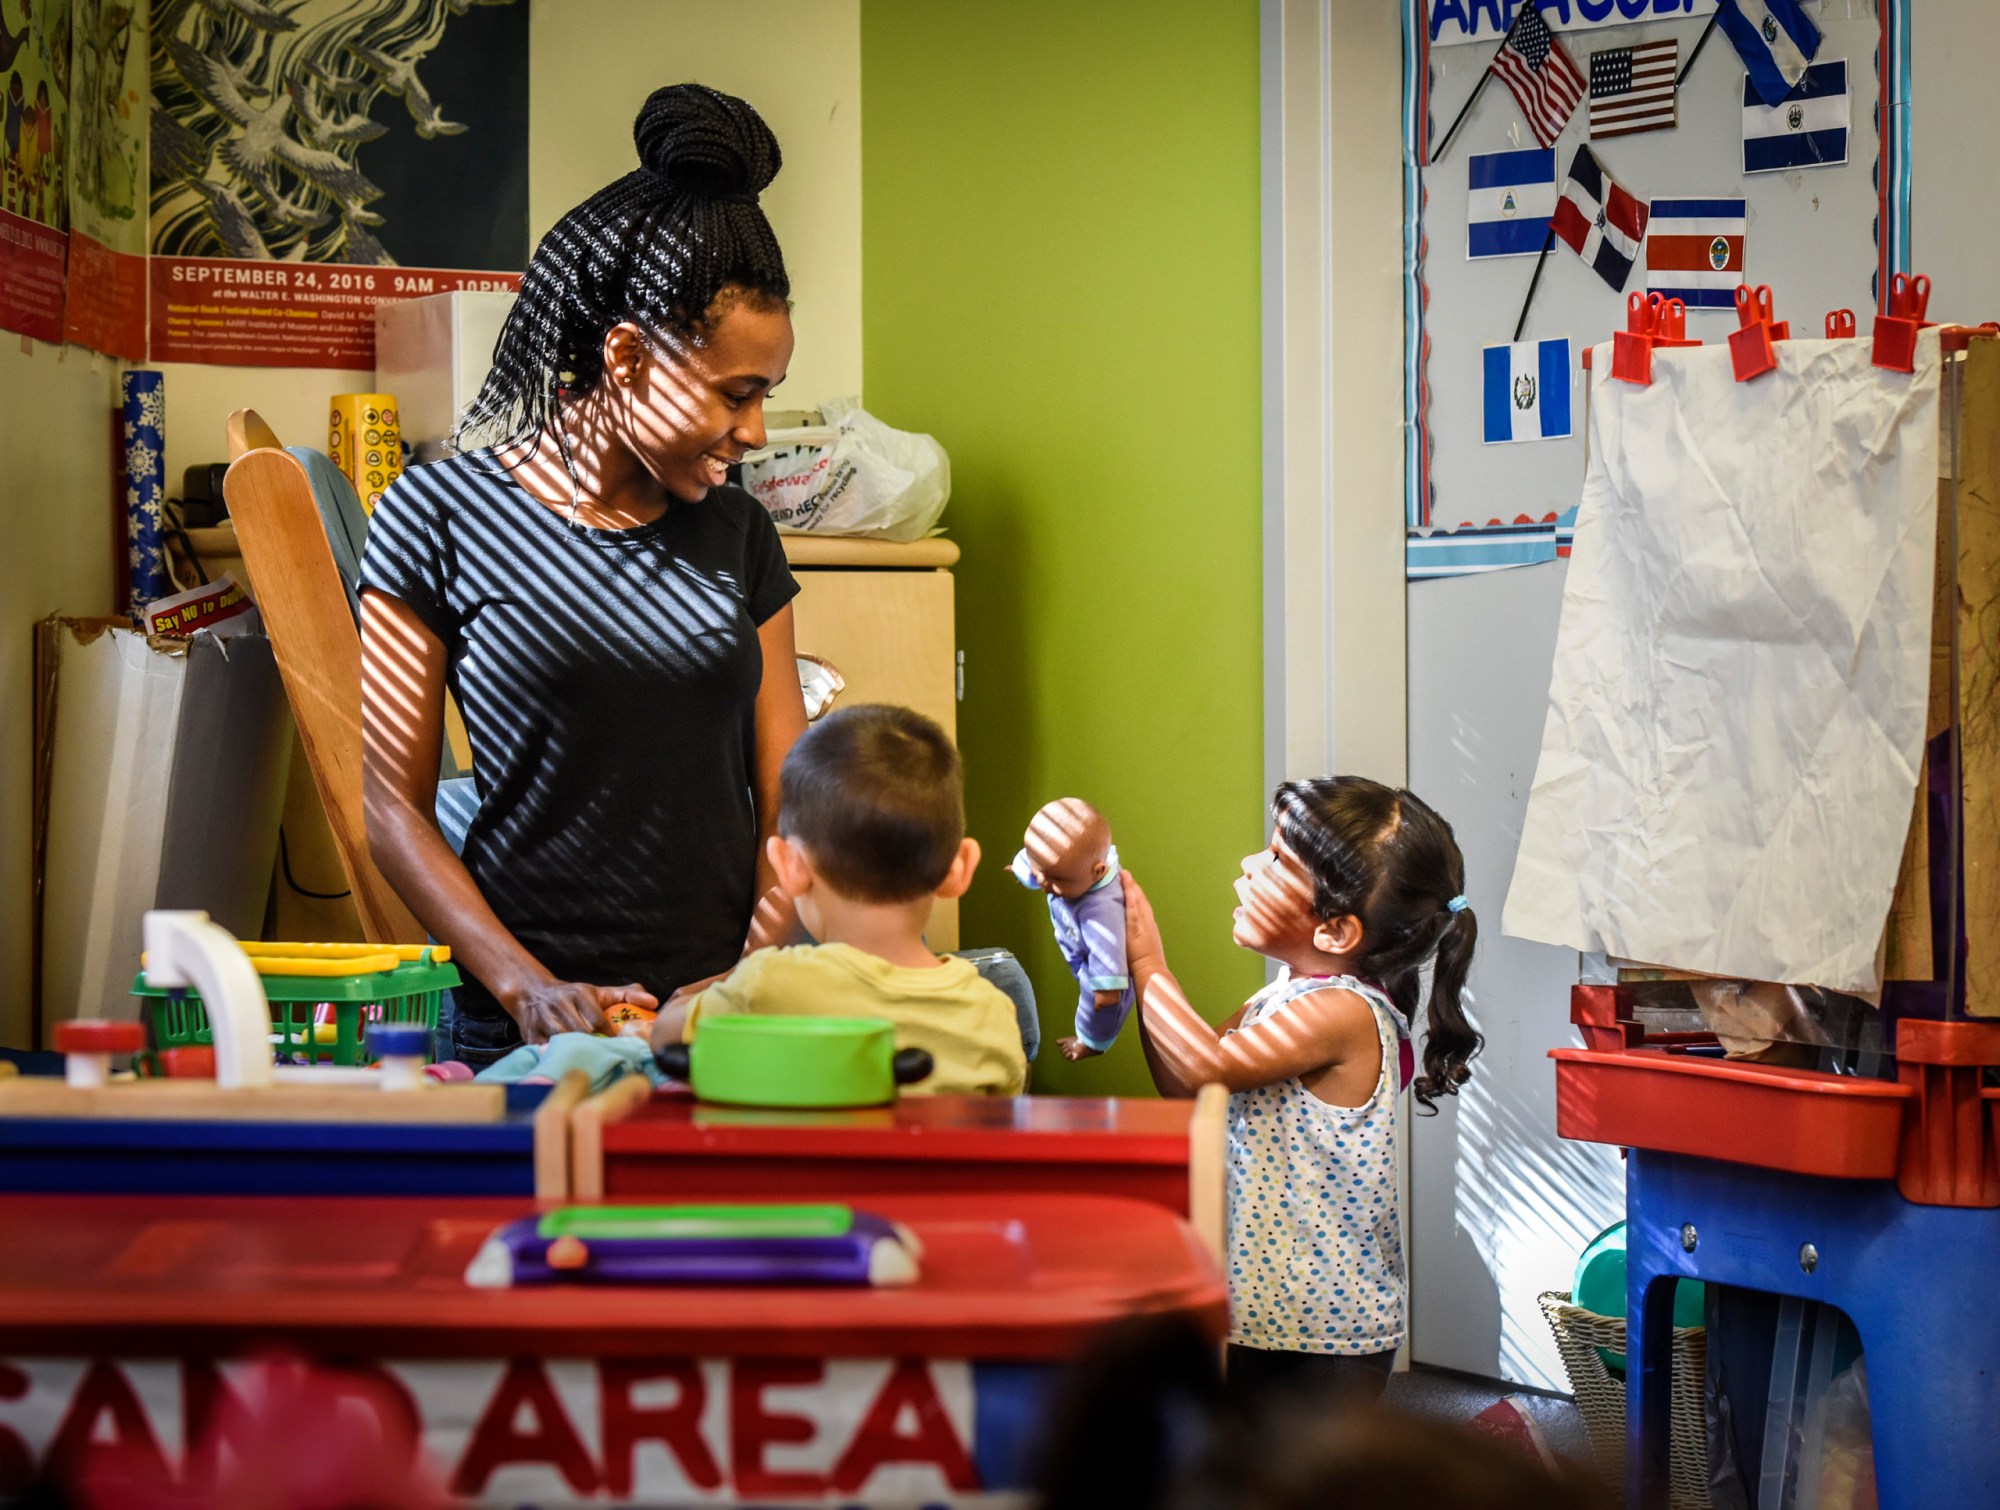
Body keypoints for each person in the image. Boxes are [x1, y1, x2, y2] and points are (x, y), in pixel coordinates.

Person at [359, 83, 807, 1070]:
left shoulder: (736, 535)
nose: (755, 432)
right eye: (734, 394)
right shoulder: (439, 514)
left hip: (717, 1020)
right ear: (627, 354)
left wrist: (743, 978)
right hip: (524, 1024)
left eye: (765, 395)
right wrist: (527, 986)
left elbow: (790, 802)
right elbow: (391, 804)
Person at [1121, 777, 1483, 1406]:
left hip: (1323, 1333)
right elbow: (1188, 1086)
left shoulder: (1341, 1011)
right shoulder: (1280, 999)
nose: (1249, 864)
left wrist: (1149, 964)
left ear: (1336, 931)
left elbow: (1205, 1065)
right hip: (1266, 1308)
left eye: (1278, 861)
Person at [659, 704, 1028, 1096]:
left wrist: (690, 996)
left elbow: (665, 1039)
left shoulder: (768, 986)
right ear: (960, 868)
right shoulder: (994, 1015)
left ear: (789, 866)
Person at [1010, 796, 1133, 1060]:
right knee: (1046, 867)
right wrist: (1025, 870)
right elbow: (1042, 863)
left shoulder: (1102, 911)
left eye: (1055, 879)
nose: (1043, 883)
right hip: (1074, 941)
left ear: (1098, 872)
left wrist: (1106, 989)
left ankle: (1090, 1043)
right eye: (1037, 871)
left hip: (1101, 969)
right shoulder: (1066, 866)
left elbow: (1107, 952)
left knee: (1099, 1010)